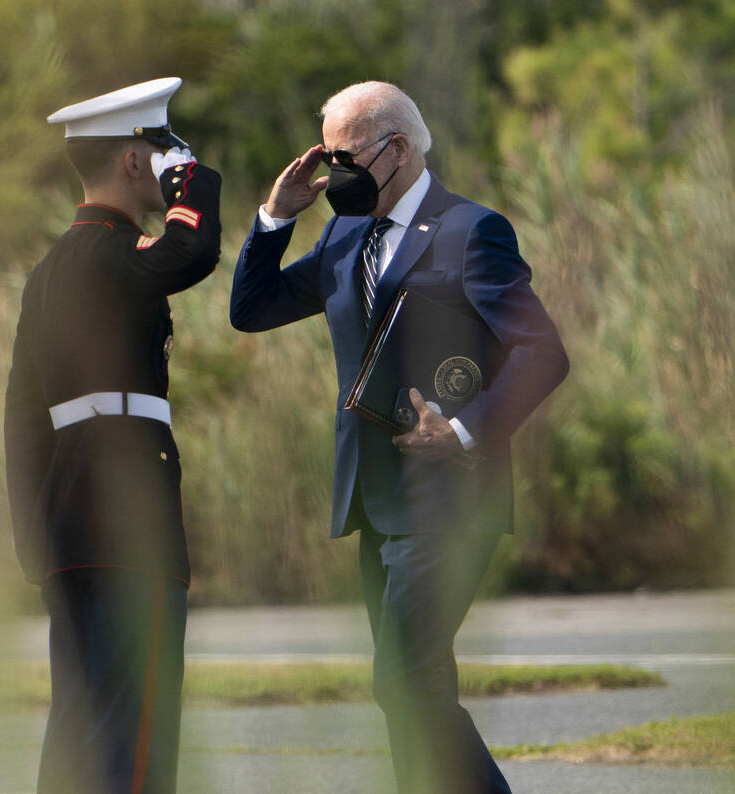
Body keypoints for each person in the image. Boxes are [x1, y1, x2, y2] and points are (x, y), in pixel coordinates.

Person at [229, 81, 569, 793]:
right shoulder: (343, 234)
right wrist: (273, 217)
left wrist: (467, 428)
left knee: (403, 682)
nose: (334, 177)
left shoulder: (471, 230)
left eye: (346, 159)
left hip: (451, 499)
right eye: (327, 159)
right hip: (377, 503)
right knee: (414, 691)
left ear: (399, 149)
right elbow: (252, 310)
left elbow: (542, 352)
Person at [4, 77, 222, 794]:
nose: (167, 165)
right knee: (136, 727)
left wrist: (35, 539)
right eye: (159, 149)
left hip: (67, 527)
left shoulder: (49, 271)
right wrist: (196, 181)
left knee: (80, 723)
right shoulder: (112, 255)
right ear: (135, 162)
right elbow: (189, 255)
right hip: (128, 519)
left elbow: (20, 420)